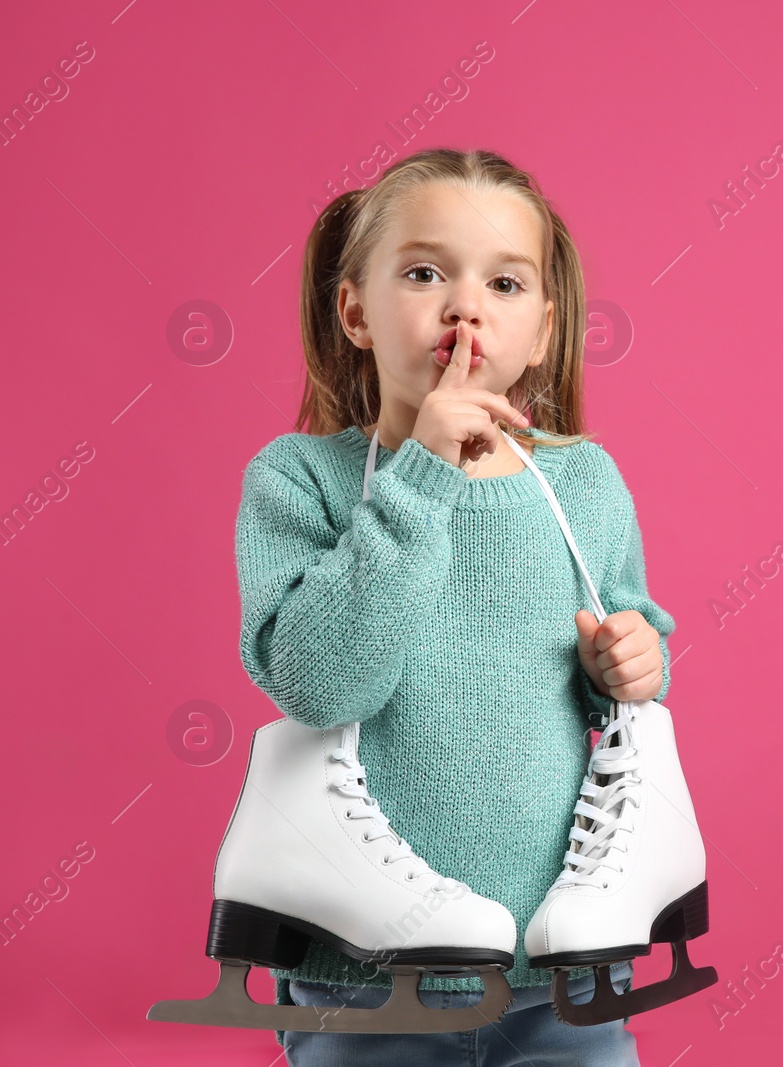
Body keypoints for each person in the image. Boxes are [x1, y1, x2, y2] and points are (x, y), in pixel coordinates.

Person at [234, 146, 674, 1066]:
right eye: (426, 273)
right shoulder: (297, 481)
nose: (466, 305)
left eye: (505, 283)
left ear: (545, 330)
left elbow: (620, 667)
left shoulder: (584, 483)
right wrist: (422, 475)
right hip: (364, 982)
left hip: (559, 974)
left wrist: (632, 664)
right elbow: (320, 683)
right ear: (354, 310)